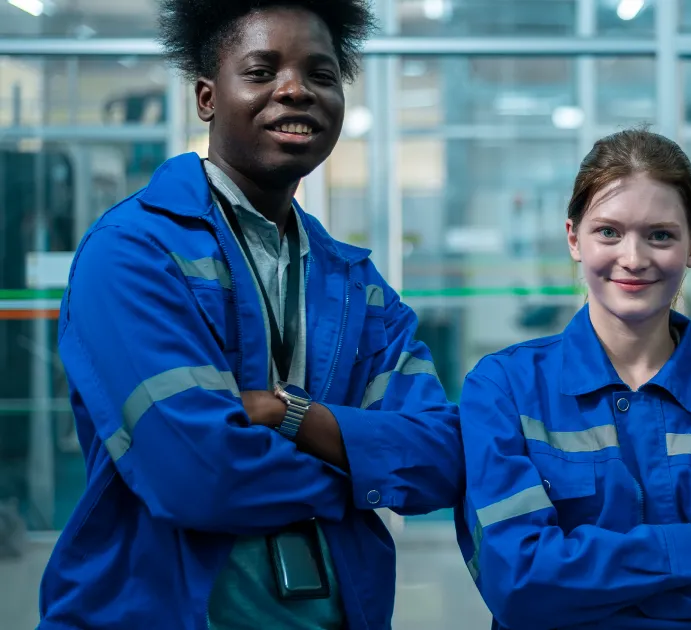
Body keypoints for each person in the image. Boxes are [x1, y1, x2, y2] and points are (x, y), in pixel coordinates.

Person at [38, 1, 462, 628]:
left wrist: (287, 413)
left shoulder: (357, 285)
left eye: (321, 75)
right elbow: (198, 474)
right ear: (207, 97)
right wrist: (359, 475)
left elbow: (440, 459)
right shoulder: (132, 253)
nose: (295, 90)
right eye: (262, 71)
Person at [453, 128, 691, 630]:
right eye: (608, 232)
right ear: (573, 238)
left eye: (660, 234)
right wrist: (687, 547)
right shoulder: (505, 388)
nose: (634, 258)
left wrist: (587, 596)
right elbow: (517, 583)